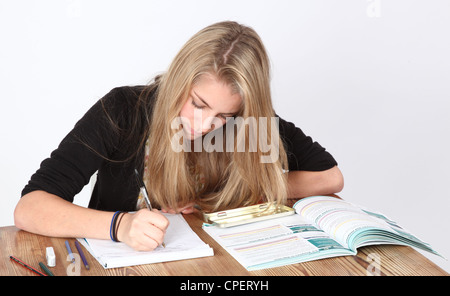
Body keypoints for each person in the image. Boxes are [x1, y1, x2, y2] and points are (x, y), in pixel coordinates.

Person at [14, 21, 343, 251]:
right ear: (179, 79)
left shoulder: (249, 123)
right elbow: (30, 208)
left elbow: (330, 177)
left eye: (224, 116)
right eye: (198, 104)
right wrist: (120, 226)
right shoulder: (122, 111)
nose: (204, 125)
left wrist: (236, 190)